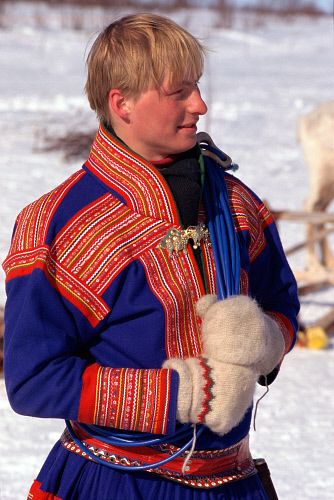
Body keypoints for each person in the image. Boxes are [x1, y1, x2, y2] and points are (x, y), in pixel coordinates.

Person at [3, 13, 299, 500]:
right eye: (178, 92)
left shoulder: (237, 204)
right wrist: (178, 395)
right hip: (116, 484)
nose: (200, 105)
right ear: (122, 103)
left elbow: (282, 304)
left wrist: (265, 340)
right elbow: (34, 379)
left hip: (233, 483)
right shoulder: (57, 226)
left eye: (197, 87)